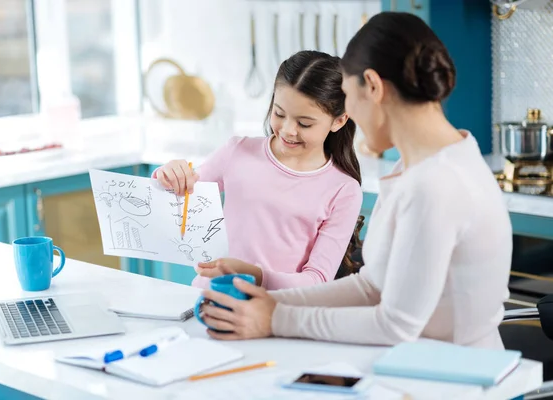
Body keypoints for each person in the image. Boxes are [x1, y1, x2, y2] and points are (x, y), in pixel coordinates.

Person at [198, 12, 512, 349]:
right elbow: (371, 287)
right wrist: (275, 304)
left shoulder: (435, 183)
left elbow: (395, 325)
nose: (349, 117)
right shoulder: (426, 165)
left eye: (348, 96)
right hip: (423, 360)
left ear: (373, 87)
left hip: (456, 374)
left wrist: (274, 319)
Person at [152, 51, 363, 290]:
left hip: (275, 316)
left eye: (304, 123)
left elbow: (316, 281)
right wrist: (169, 175)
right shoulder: (237, 151)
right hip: (206, 299)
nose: (287, 130)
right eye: (279, 113)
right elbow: (174, 197)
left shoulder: (343, 189)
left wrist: (252, 275)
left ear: (339, 120)